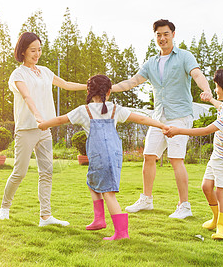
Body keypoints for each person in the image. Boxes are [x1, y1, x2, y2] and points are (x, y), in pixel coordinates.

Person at [38, 74, 169, 240]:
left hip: (100, 157)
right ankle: (99, 219)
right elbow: (142, 118)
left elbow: (59, 120)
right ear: (108, 92)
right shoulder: (116, 109)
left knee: (108, 193)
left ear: (89, 91)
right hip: (112, 156)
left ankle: (121, 233)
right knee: (92, 182)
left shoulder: (84, 111)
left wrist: (43, 124)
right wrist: (161, 125)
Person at [111, 19, 213, 218]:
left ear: (173, 34)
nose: (162, 38)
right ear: (155, 37)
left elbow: (197, 74)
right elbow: (133, 82)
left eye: (166, 34)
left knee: (176, 159)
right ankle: (146, 200)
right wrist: (109, 88)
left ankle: (184, 206)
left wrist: (207, 90)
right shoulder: (152, 62)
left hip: (179, 116)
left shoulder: (184, 56)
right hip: (158, 117)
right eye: (158, 35)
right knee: (149, 157)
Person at [0, 32, 87, 226]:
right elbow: (27, 97)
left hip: (45, 129)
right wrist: (38, 117)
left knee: (47, 171)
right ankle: (4, 207)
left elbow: (66, 84)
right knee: (19, 172)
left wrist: (90, 86)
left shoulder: (45, 71)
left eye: (39, 49)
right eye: (33, 50)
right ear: (22, 51)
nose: (37, 54)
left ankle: (45, 216)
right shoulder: (18, 74)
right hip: (27, 129)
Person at [165, 68, 223, 240]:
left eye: (216, 87)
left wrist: (179, 130)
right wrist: (211, 99)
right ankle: (216, 218)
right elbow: (219, 106)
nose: (215, 89)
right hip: (218, 156)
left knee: (221, 192)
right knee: (206, 187)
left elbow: (206, 130)